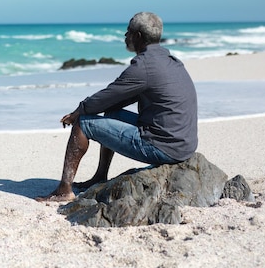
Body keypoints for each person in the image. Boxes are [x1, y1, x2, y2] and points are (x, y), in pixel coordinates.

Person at [37, 12, 198, 202]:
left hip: (163, 146)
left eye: (128, 32)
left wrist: (78, 111)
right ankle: (100, 176)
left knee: (83, 124)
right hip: (183, 143)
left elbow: (108, 95)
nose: (125, 36)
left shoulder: (143, 66)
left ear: (137, 36)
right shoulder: (171, 61)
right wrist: (93, 108)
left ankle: (64, 190)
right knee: (111, 113)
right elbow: (117, 100)